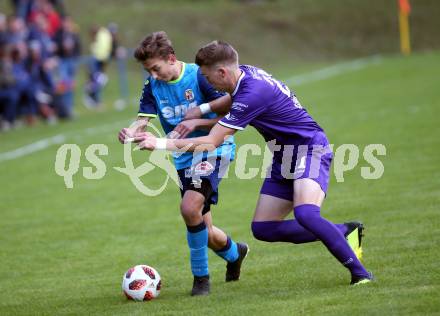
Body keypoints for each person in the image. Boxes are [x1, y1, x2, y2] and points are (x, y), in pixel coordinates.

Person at [133, 40, 373, 286]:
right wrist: (201, 112)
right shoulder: (246, 74)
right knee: (264, 228)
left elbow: (213, 141)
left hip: (309, 148)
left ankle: (361, 274)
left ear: (222, 72)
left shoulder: (253, 93)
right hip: (283, 156)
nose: (207, 83)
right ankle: (344, 231)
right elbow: (231, 101)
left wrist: (159, 144)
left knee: (306, 214)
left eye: (207, 77)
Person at [118, 32, 249, 296]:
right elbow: (143, 119)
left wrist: (198, 122)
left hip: (213, 149)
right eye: (148, 71)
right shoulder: (152, 84)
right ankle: (235, 253)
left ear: (171, 59)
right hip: (182, 156)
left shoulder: (199, 76)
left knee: (189, 207)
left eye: (156, 68)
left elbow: (232, 116)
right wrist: (132, 131)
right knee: (206, 229)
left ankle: (201, 279)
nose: (154, 75)